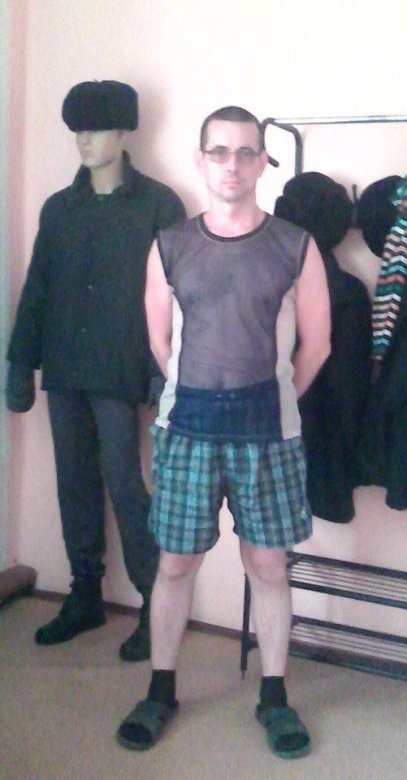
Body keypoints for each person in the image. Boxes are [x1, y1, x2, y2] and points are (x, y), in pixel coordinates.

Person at [116, 105, 331, 758]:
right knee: (175, 563)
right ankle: (160, 690)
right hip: (187, 431)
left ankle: (275, 698)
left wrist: (275, 404)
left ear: (263, 161)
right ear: (200, 159)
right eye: (219, 151)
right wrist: (204, 395)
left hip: (270, 435)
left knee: (267, 565)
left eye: (245, 152)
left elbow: (317, 345)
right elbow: (161, 341)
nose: (231, 164)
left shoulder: (296, 245)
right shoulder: (170, 245)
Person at [6, 80, 186, 661]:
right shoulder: (60, 209)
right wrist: (20, 363)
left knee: (125, 484)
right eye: (77, 129)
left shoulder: (159, 205)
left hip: (120, 369)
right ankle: (85, 593)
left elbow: (178, 294)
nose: (84, 139)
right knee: (73, 483)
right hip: (64, 367)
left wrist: (165, 370)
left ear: (124, 131)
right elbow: (38, 288)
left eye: (97, 128)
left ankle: (154, 603)